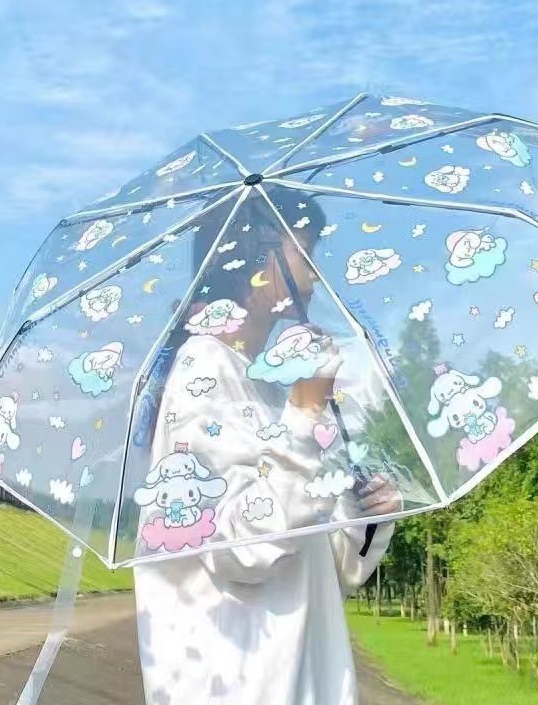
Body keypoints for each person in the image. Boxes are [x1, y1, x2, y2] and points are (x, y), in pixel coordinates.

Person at [133, 187, 403, 704]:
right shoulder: (203, 370)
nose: (315, 274)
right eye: (304, 253)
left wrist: (365, 515)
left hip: (304, 677)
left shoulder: (267, 387)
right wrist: (304, 415)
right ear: (255, 263)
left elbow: (323, 564)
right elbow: (243, 550)